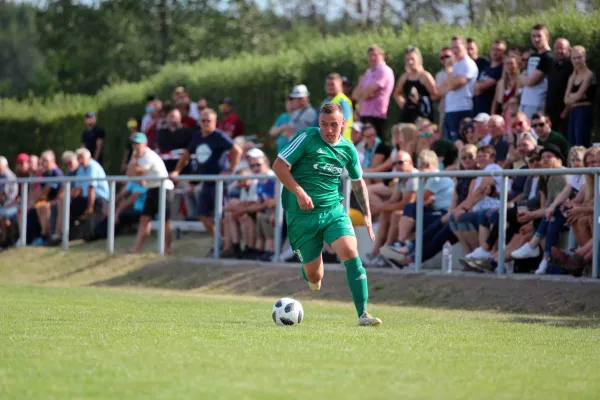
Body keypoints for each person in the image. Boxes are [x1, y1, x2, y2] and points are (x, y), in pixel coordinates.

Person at [272, 102, 382, 327]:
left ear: (344, 124)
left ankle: (363, 314)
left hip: (333, 211)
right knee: (315, 276)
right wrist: (299, 192)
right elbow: (279, 166)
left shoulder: (348, 149)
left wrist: (367, 214)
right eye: (324, 124)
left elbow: (358, 182)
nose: (329, 130)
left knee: (351, 253)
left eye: (334, 125)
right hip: (300, 216)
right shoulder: (307, 137)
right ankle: (311, 274)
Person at [170, 108, 243, 242]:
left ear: (215, 122)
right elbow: (186, 155)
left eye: (209, 121)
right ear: (199, 122)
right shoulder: (197, 136)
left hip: (219, 182)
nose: (206, 123)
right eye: (203, 121)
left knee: (221, 214)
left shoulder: (219, 136)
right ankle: (220, 241)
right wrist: (177, 170)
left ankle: (229, 243)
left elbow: (236, 150)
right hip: (206, 181)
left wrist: (231, 169)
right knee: (200, 214)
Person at [127, 133, 175, 254]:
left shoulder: (148, 155)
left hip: (164, 188)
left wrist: (134, 166)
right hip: (152, 188)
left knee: (165, 220)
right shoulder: (135, 155)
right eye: (134, 143)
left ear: (145, 144)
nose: (136, 146)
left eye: (138, 143)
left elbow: (139, 171)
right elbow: (130, 173)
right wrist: (135, 169)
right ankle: (136, 249)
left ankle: (167, 249)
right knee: (144, 219)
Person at [438, 36, 479, 142]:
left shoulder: (468, 64)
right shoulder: (455, 64)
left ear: (465, 47)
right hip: (450, 109)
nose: (454, 51)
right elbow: (441, 89)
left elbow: (453, 86)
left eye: (457, 47)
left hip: (462, 109)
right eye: (452, 48)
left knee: (460, 142)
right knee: (450, 143)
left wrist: (448, 69)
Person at [352, 44, 395, 139]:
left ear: (382, 55)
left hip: (377, 115)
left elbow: (369, 90)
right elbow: (355, 94)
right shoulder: (368, 72)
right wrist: (366, 94)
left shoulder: (385, 71)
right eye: (370, 55)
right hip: (364, 114)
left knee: (376, 142)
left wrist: (363, 95)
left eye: (375, 55)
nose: (372, 58)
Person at [393, 46, 438, 123]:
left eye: (412, 59)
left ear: (419, 60)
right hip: (408, 115)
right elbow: (397, 94)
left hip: (423, 116)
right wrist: (404, 105)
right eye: (407, 60)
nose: (410, 62)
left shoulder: (425, 76)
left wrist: (422, 101)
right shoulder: (405, 77)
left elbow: (435, 95)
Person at [564, 45, 597, 147]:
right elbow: (565, 99)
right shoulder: (572, 76)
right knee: (572, 144)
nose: (577, 61)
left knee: (581, 143)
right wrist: (574, 97)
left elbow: (578, 95)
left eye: (579, 57)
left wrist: (573, 97)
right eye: (574, 58)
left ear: (585, 57)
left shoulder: (589, 74)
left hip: (584, 110)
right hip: (573, 111)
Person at [520, 24, 553, 119]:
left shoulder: (548, 57)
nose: (536, 39)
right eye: (533, 36)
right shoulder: (532, 56)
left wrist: (523, 77)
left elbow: (531, 81)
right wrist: (524, 77)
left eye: (539, 36)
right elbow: (522, 79)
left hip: (536, 103)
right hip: (524, 101)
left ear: (547, 37)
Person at [318, 73, 353, 141]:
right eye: (328, 84)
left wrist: (338, 144)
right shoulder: (325, 101)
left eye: (332, 84)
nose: (329, 87)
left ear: (340, 85)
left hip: (341, 145)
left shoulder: (343, 101)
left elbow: (343, 124)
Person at [474, 40, 506, 115]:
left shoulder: (501, 69)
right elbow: (474, 89)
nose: (495, 52)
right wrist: (477, 87)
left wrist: (477, 86)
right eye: (493, 49)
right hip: (478, 110)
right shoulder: (486, 66)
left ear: (504, 52)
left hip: (491, 110)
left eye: (498, 50)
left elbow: (485, 86)